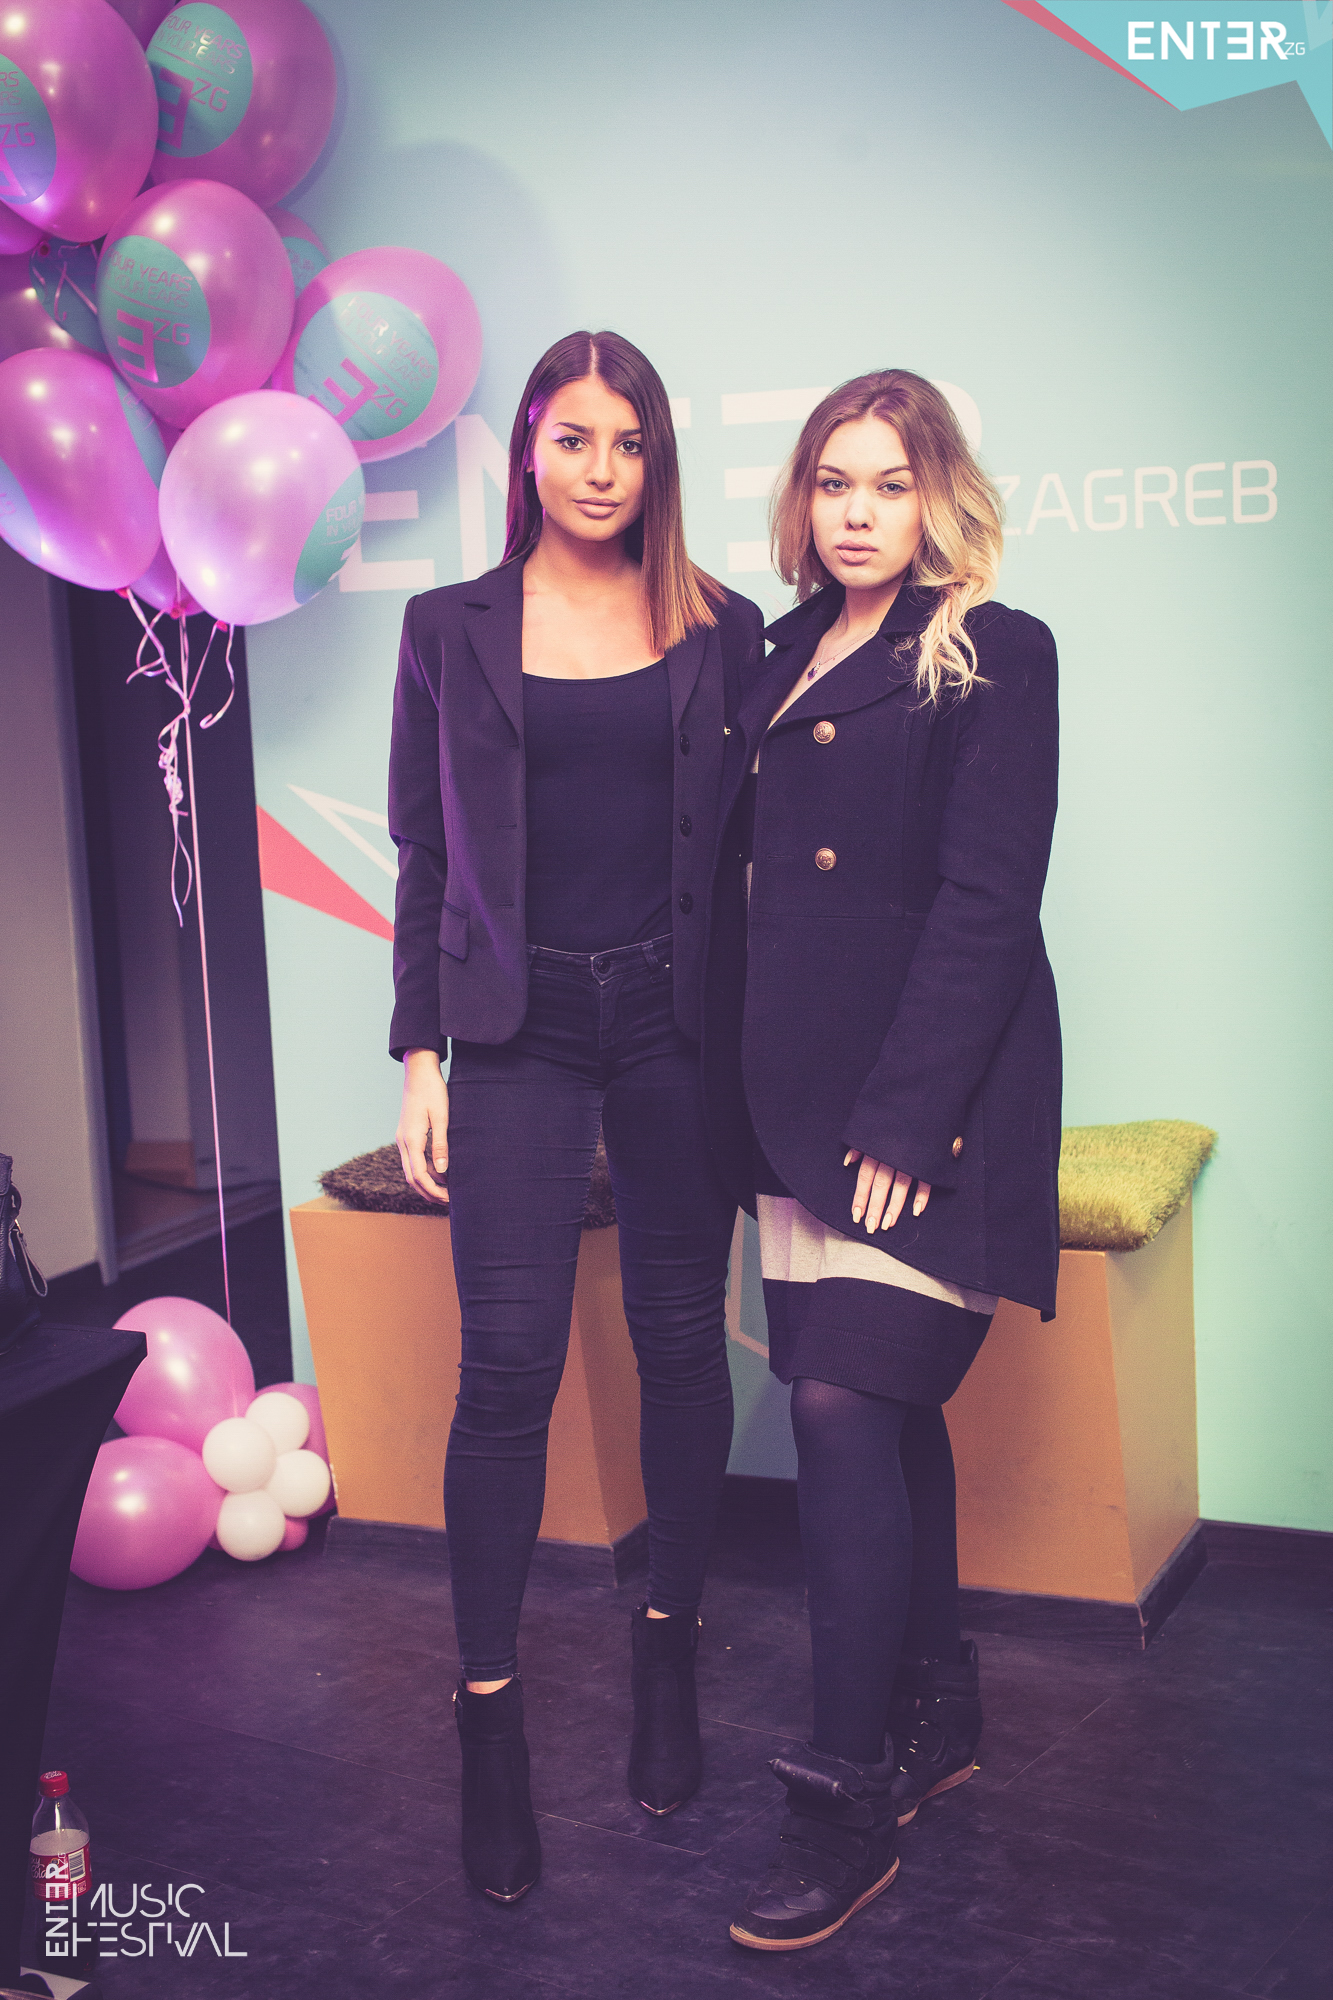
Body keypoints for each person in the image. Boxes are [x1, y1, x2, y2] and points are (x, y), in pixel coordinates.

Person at [387, 330, 766, 1905]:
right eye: (573, 439)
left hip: (677, 1026)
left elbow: (758, 851)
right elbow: (422, 850)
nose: (601, 470)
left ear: (655, 457)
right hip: (516, 1029)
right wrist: (419, 1055)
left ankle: (667, 1647)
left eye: (629, 443)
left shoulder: (721, 626)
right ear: (527, 450)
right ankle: (489, 1724)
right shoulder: (445, 625)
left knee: (681, 1345)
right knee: (507, 1369)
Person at [701, 370, 1061, 1951]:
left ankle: (842, 1798)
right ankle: (937, 1709)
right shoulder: (773, 653)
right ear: (802, 498)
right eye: (834, 482)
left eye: (890, 484)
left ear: (937, 497)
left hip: (927, 1099)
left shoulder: (993, 649)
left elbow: (988, 903)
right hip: (791, 1097)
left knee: (841, 1406)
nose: (857, 512)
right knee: (884, 1408)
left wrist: (911, 1118)